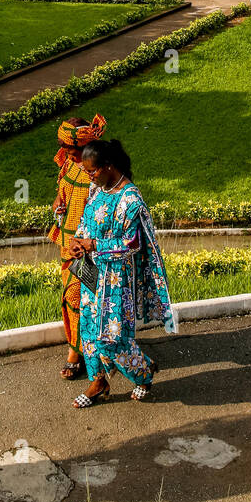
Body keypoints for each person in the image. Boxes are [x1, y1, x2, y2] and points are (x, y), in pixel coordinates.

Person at [70, 138, 176, 407]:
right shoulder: (97, 190)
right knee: (90, 332)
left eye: (92, 171)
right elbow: (85, 221)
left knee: (114, 339)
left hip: (118, 281)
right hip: (93, 275)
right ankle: (99, 383)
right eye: (87, 172)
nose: (89, 177)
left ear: (108, 166)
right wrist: (77, 241)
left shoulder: (131, 199)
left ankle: (143, 375)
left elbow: (132, 244)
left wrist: (94, 244)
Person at [50, 113, 107, 379]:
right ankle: (79, 350)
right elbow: (62, 195)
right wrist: (58, 206)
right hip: (68, 245)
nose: (64, 152)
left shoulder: (98, 171)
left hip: (92, 249)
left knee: (83, 299)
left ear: (84, 147)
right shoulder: (70, 164)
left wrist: (92, 242)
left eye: (69, 148)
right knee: (73, 299)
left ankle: (84, 353)